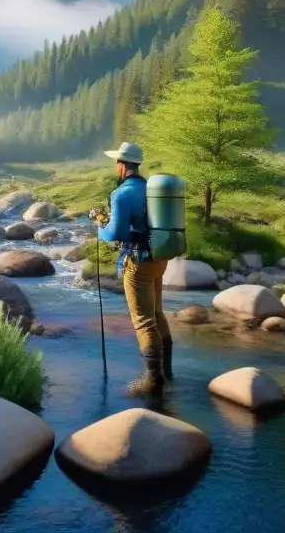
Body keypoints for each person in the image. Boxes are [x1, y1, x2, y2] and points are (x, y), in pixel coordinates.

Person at [96, 141, 172, 397]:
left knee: (143, 322)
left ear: (122, 165)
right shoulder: (152, 188)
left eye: (116, 162)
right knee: (157, 313)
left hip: (138, 263)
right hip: (160, 258)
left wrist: (99, 228)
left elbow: (115, 232)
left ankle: (153, 381)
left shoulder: (121, 194)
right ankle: (167, 372)